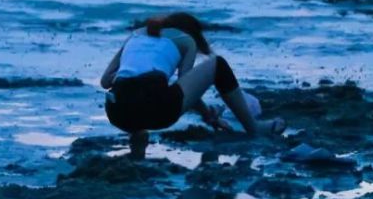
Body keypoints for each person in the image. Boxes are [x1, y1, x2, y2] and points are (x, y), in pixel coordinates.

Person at [99, 12, 284, 157]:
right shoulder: (187, 40)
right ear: (192, 33)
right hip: (157, 110)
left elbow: (105, 81)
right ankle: (255, 128)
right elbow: (186, 87)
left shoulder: (135, 36)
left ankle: (137, 143)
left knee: (131, 91)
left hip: (116, 112)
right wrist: (209, 116)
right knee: (218, 65)